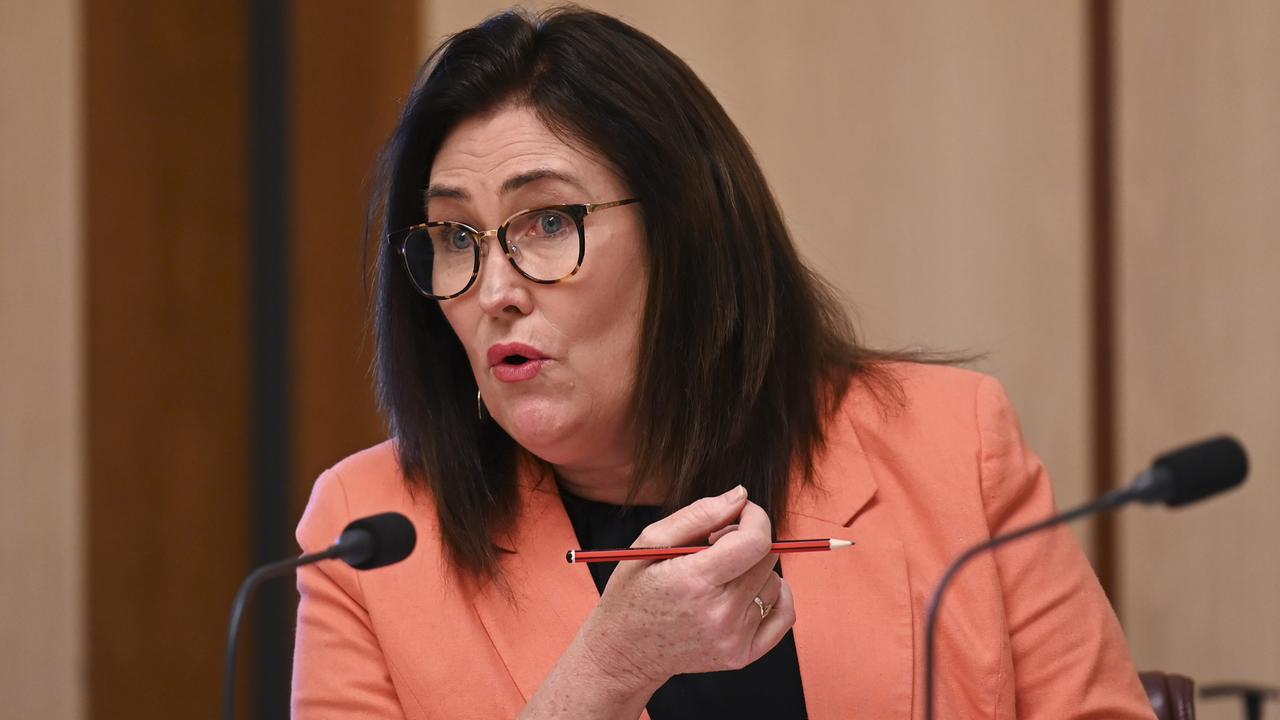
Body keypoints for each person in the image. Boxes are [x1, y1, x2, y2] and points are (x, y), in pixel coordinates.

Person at [292, 7, 1155, 719]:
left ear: (687, 234)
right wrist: (607, 671)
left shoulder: (950, 445)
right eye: (454, 238)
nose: (495, 291)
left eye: (548, 221)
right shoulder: (370, 538)